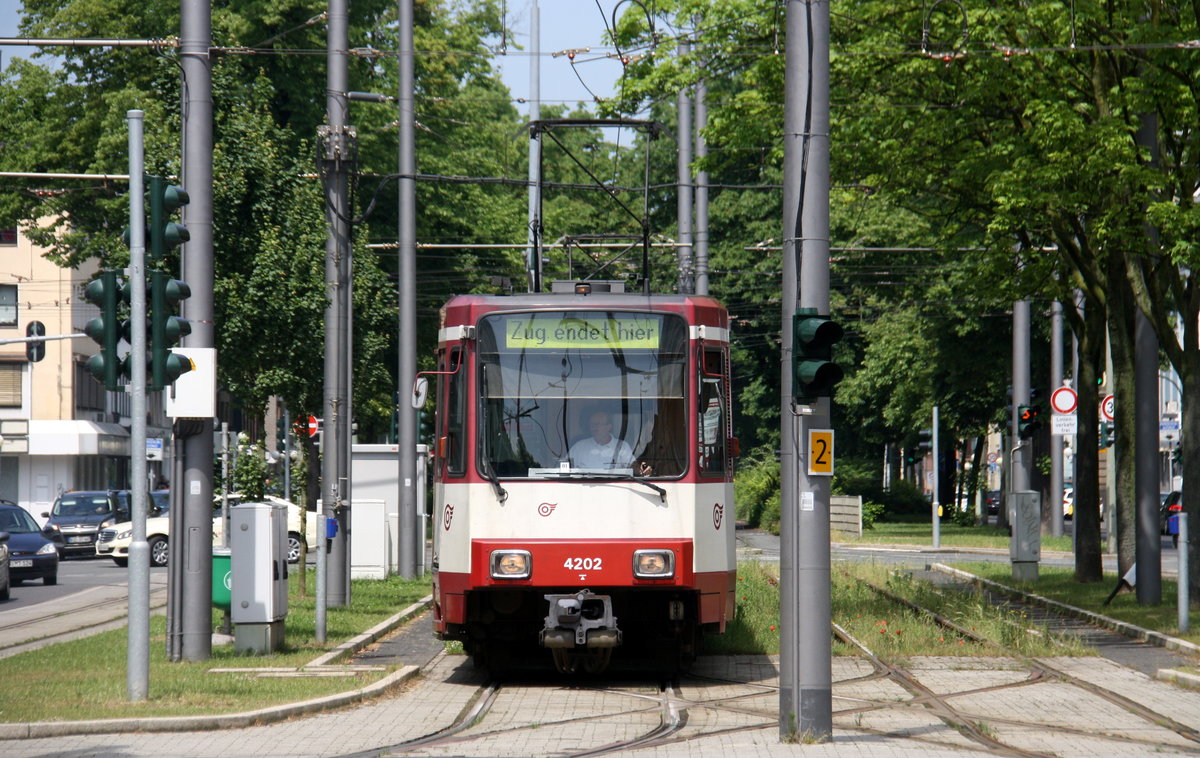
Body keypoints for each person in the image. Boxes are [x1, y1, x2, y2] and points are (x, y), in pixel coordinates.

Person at [569, 410, 635, 470]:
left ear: (609, 427)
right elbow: (565, 466)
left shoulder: (622, 446)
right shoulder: (579, 446)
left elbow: (633, 467)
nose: (593, 428)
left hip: (613, 483)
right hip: (583, 482)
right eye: (592, 425)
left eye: (597, 424)